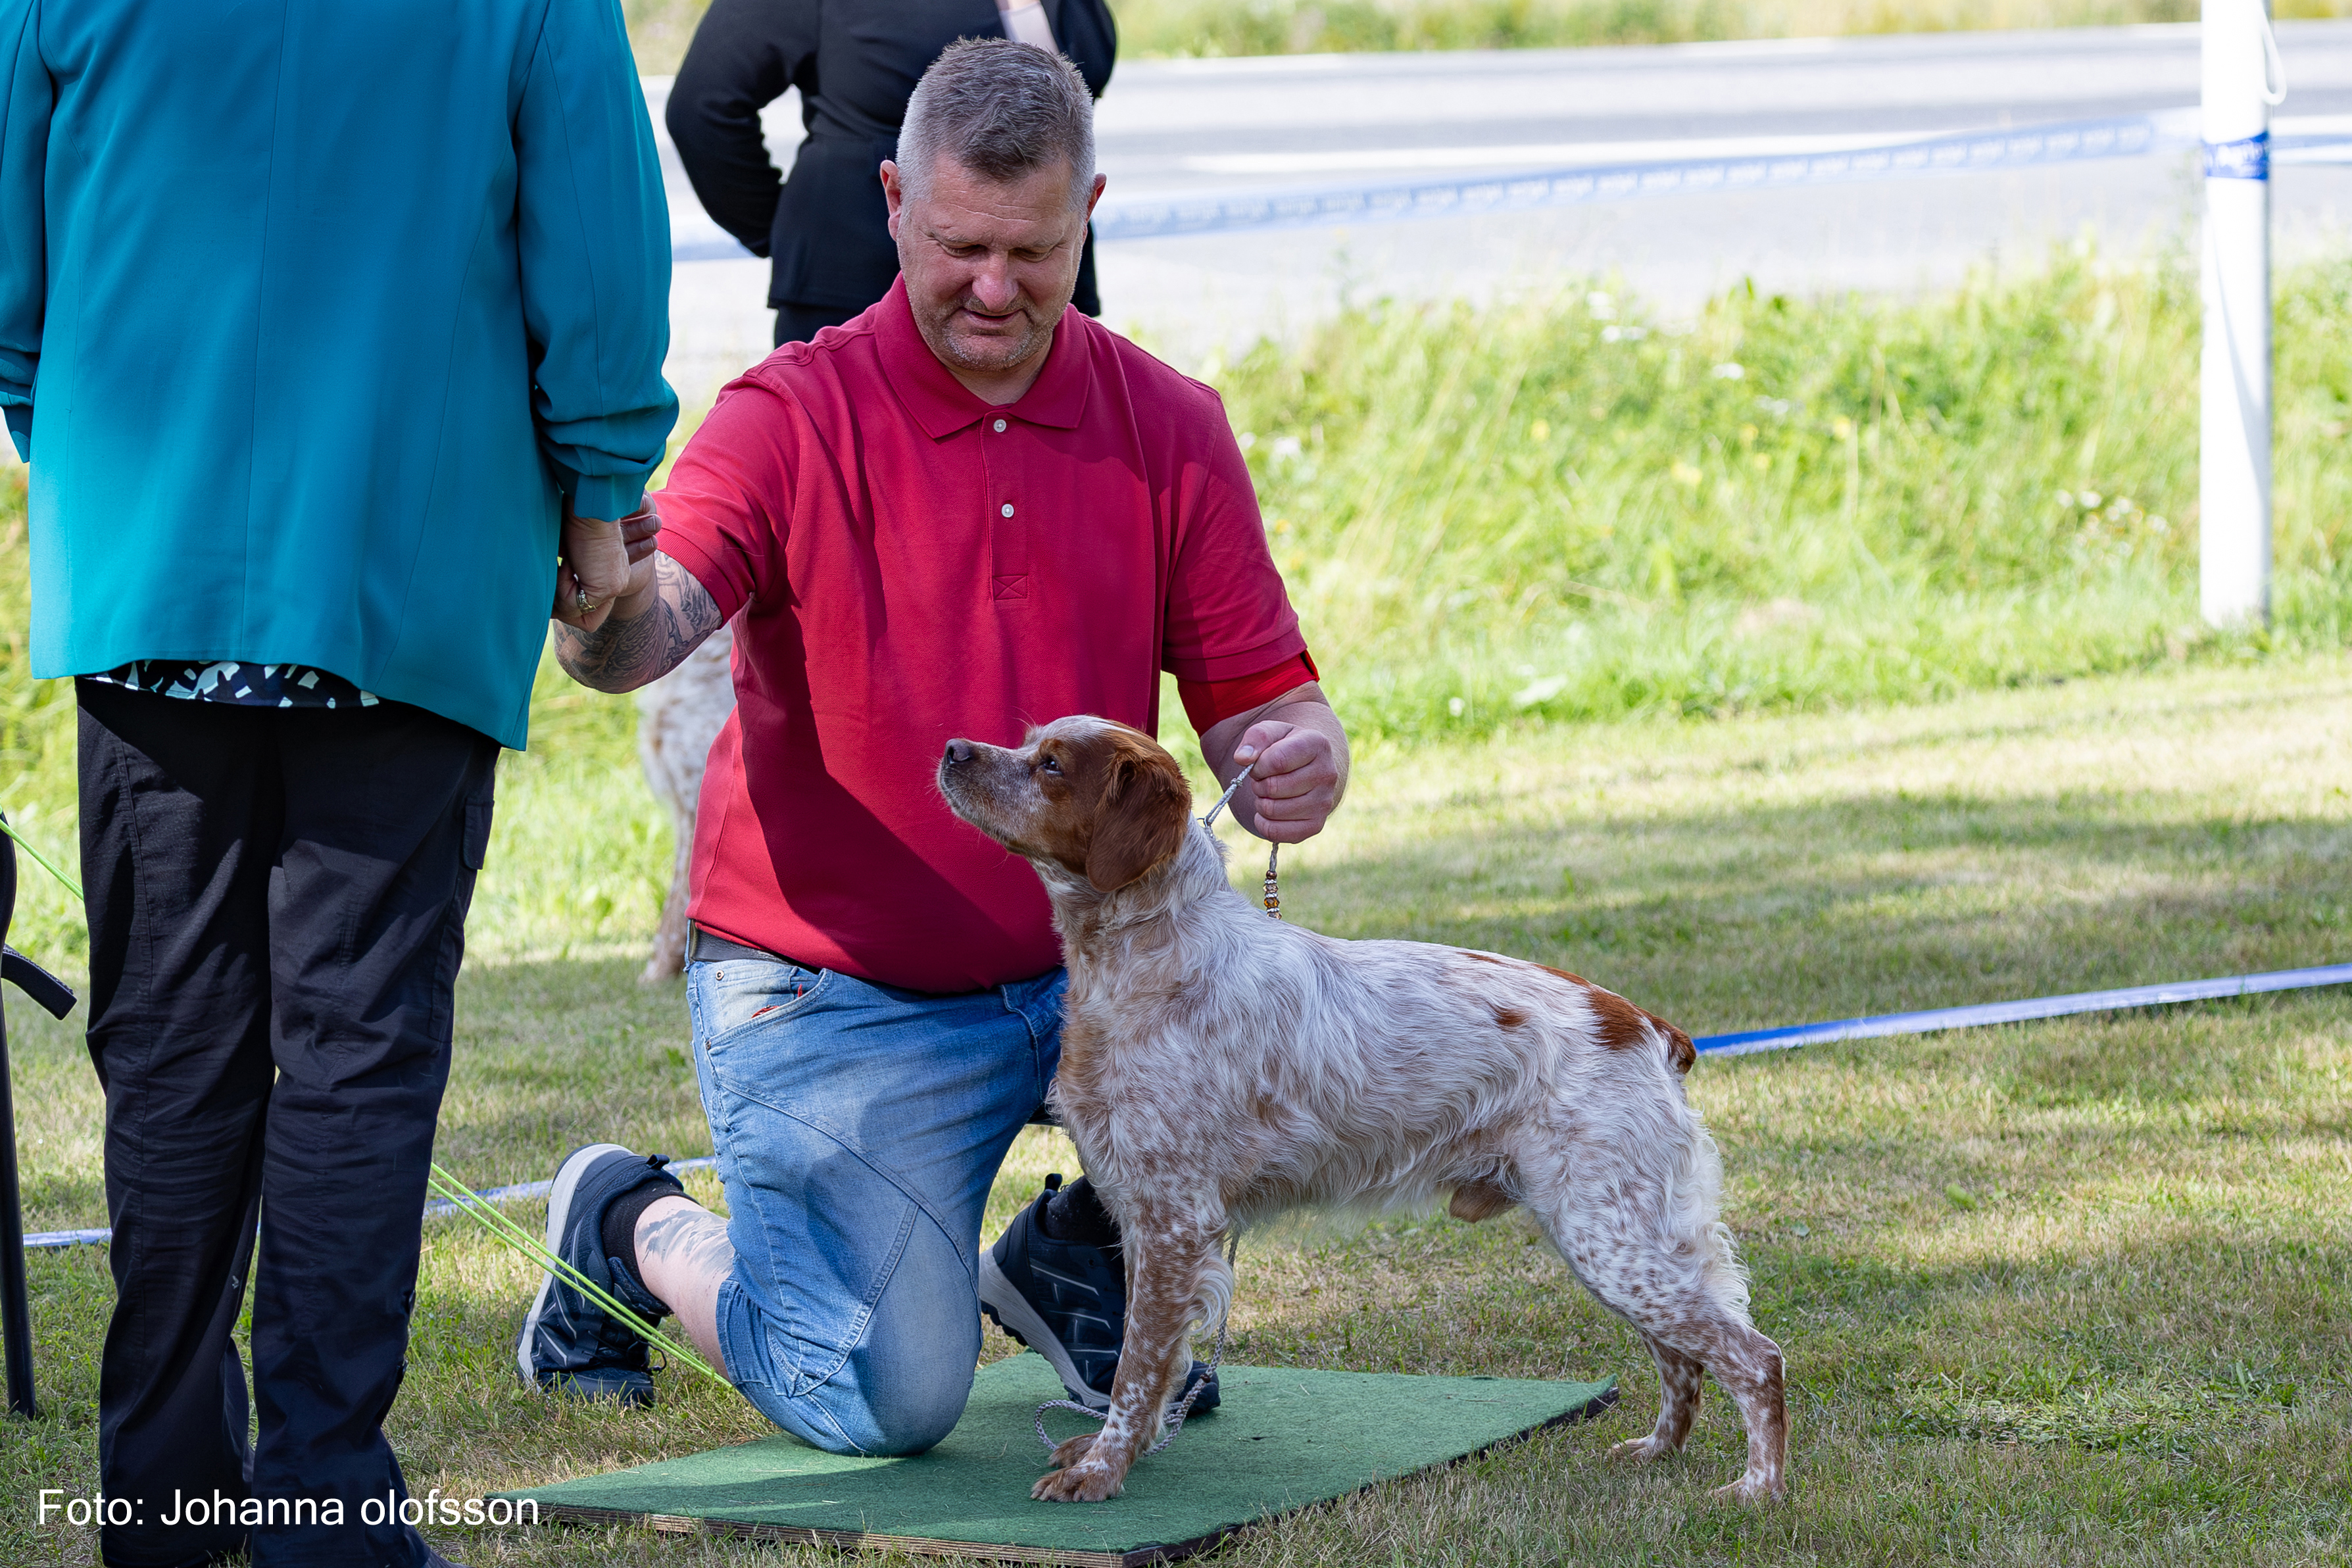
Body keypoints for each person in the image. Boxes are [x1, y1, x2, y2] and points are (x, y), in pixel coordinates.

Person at [516, 38, 1348, 1455]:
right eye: (961, 246)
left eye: (1034, 251)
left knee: (1327, 1050)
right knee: (884, 1399)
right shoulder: (788, 414)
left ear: (1090, 213)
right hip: (836, 989)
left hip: (1092, 961)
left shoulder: (1171, 423)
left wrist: (1302, 756)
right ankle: (625, 1220)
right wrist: (600, 606)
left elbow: (1267, 705)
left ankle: (1069, 1252)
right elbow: (642, 635)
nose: (995, 288)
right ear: (895, 202)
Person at [0, 3, 676, 1563]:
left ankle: (163, 1496)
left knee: (170, 1046)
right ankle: (321, 1501)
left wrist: (89, 453)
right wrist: (597, 495)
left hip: (152, 561)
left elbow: (12, 262)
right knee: (357, 1052)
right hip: (405, 557)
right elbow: (595, 251)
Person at [667, 0, 1116, 349]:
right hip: (853, 281)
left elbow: (1086, 70)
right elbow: (704, 107)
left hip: (1032, 277)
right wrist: (785, 232)